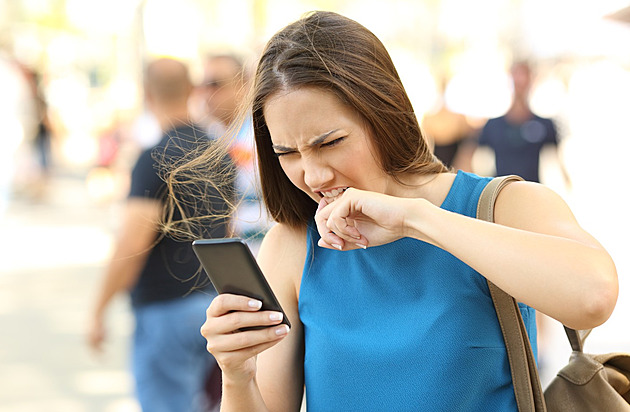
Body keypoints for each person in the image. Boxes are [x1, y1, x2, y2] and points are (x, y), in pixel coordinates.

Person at [172, 12, 618, 411]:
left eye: (329, 142)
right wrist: (236, 372)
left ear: (383, 115)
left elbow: (593, 297)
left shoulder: (502, 206)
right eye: (287, 152)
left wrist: (415, 218)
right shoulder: (291, 247)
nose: (311, 175)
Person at [87, 58, 231, 412]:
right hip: (212, 302)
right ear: (191, 91)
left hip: (165, 308)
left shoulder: (154, 158)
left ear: (147, 95)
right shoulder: (219, 154)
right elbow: (227, 230)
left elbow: (133, 241)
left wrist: (99, 309)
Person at [200, 54, 272, 253]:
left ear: (244, 85)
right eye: (203, 85)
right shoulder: (205, 138)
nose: (206, 93)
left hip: (268, 257)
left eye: (215, 84)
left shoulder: (265, 135)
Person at [476, 60, 571, 184]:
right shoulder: (493, 125)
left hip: (531, 193)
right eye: (516, 75)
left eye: (524, 75)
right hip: (500, 193)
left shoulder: (544, 125)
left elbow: (557, 160)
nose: (520, 81)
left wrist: (567, 184)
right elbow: (469, 156)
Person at [421, 76, 476, 171]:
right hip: (440, 170)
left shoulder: (459, 119)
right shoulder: (429, 119)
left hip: (456, 168)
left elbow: (468, 148)